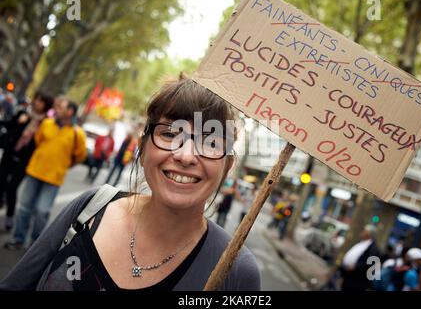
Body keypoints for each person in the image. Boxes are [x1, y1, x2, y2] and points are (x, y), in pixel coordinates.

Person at [0, 77, 260, 291]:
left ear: (227, 165)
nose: (185, 155)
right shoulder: (89, 209)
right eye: (170, 134)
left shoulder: (235, 272)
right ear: (143, 146)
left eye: (210, 142)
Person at [3, 97, 87, 250]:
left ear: (70, 112)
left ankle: (35, 245)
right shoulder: (47, 124)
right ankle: (18, 238)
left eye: (62, 107)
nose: (57, 109)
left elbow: (80, 156)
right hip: (35, 171)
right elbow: (38, 140)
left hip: (54, 178)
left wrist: (64, 165)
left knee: (42, 211)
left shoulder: (78, 134)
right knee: (24, 208)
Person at [0, 92, 54, 231]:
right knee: (1, 183)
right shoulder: (22, 113)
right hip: (10, 153)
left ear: (46, 106)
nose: (37, 102)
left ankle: (10, 216)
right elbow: (8, 126)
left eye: (41, 101)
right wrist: (19, 122)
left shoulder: (46, 123)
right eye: (36, 99)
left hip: (25, 160)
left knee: (12, 188)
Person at [340, 224, 380, 291]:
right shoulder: (362, 243)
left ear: (369, 234)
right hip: (349, 276)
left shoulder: (374, 249)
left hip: (356, 281)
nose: (362, 232)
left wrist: (355, 267)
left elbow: (370, 266)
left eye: (364, 231)